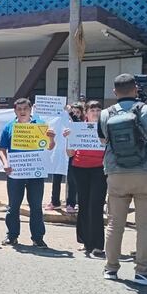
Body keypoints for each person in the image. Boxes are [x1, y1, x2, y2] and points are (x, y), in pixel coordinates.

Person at [98, 73, 147, 286]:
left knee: (114, 223)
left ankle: (110, 268)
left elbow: (103, 140)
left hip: (116, 173)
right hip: (146, 173)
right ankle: (142, 272)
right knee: (144, 225)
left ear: (114, 92)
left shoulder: (105, 113)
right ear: (136, 89)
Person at [0, 97, 57, 248]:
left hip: (35, 172)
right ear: (15, 111)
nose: (22, 111)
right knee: (13, 206)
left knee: (36, 206)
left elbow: (49, 147)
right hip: (16, 172)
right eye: (19, 109)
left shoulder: (40, 125)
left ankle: (37, 238)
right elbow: (1, 149)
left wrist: (51, 138)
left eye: (25, 109)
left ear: (31, 110)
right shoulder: (9, 127)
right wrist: (5, 164)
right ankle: (12, 236)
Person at [63, 101, 106, 257]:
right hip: (79, 169)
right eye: (92, 110)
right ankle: (85, 241)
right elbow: (69, 154)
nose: (95, 112)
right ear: (86, 113)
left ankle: (97, 245)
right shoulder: (77, 127)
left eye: (98, 109)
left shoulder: (106, 127)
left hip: (100, 169)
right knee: (84, 203)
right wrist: (68, 138)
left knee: (96, 205)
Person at [47, 102, 82, 212]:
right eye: (74, 111)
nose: (75, 114)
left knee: (72, 180)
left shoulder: (79, 123)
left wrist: (71, 113)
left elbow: (76, 122)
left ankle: (71, 203)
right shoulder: (60, 119)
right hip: (59, 152)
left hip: (72, 153)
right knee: (56, 178)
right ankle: (54, 201)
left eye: (78, 112)